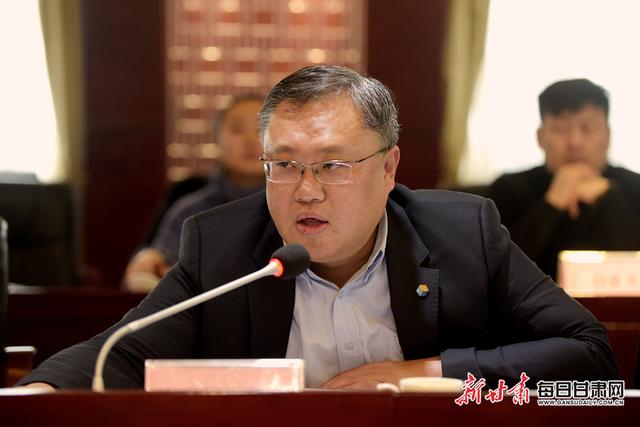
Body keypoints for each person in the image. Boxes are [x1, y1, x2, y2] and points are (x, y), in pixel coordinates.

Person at [20, 66, 618, 390]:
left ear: (389, 168)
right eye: (283, 165)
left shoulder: (464, 233)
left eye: (333, 165)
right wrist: (38, 397)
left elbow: (591, 357)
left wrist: (419, 373)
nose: (306, 189)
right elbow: (119, 354)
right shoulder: (224, 246)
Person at [486, 79, 640, 280]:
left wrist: (609, 199)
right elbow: (492, 270)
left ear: (608, 135)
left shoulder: (635, 186)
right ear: (540, 137)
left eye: (587, 128)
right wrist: (551, 205)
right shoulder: (509, 189)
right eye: (560, 129)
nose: (575, 142)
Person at [123, 95, 266, 292]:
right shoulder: (190, 210)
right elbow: (157, 265)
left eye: (261, 130)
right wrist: (147, 261)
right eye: (237, 129)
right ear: (217, 140)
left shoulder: (292, 207)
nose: (250, 140)